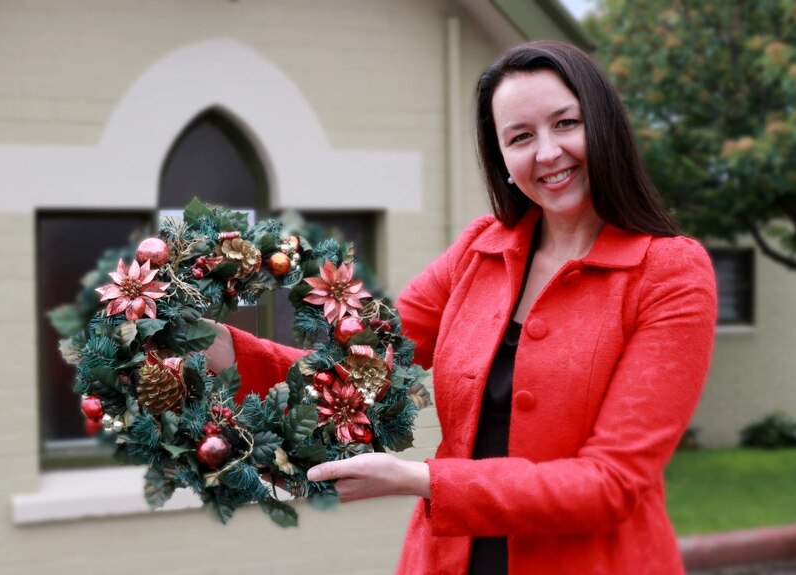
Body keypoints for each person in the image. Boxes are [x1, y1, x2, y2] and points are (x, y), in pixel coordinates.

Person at [206, 40, 717, 575]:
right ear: (502, 160)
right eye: (520, 137)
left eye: (566, 124)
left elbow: (611, 484)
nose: (546, 153)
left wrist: (422, 480)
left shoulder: (669, 274)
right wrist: (220, 346)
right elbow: (355, 377)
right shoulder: (478, 253)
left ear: (605, 125)